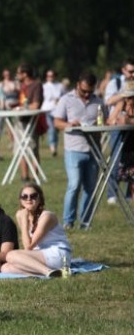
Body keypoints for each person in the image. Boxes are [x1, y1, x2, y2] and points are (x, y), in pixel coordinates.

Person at [52, 71, 104, 230]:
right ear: (77, 86)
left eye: (90, 91)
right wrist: (69, 124)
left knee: (90, 188)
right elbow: (57, 122)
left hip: (94, 150)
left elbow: (106, 121)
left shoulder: (98, 101)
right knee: (74, 185)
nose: (87, 94)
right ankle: (68, 221)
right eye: (84, 91)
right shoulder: (66, 99)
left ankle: (85, 222)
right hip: (73, 149)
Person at [1, 183, 72, 277]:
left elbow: (28, 246)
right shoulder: (20, 215)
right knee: (5, 268)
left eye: (33, 196)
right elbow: (28, 246)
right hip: (40, 255)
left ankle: (47, 272)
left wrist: (24, 222)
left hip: (57, 254)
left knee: (10, 255)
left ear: (40, 199)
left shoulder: (47, 216)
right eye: (24, 196)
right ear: (21, 200)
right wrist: (24, 219)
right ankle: (53, 273)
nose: (29, 199)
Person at [103, 58, 134, 205]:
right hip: (117, 129)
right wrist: (124, 94)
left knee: (131, 161)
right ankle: (112, 194)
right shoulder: (115, 83)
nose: (133, 74)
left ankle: (130, 193)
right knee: (115, 160)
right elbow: (108, 102)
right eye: (130, 71)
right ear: (123, 70)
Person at [16, 63, 44, 182]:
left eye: (18, 73)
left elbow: (36, 105)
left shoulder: (36, 85)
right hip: (21, 120)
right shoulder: (22, 86)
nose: (17, 75)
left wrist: (22, 108)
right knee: (20, 147)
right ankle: (24, 175)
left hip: (32, 121)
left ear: (25, 74)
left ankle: (34, 175)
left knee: (32, 148)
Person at [107, 87, 134, 201]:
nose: (128, 99)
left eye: (130, 97)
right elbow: (110, 120)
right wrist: (115, 120)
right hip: (121, 136)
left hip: (131, 137)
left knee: (131, 165)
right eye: (126, 97)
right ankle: (112, 194)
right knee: (116, 163)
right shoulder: (121, 104)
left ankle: (129, 195)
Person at [41, 69, 65, 157]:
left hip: (58, 111)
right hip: (47, 110)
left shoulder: (60, 86)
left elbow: (64, 96)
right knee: (51, 129)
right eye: (48, 76)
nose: (50, 78)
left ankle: (55, 145)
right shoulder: (44, 87)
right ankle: (52, 147)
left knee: (56, 130)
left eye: (51, 76)